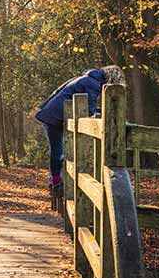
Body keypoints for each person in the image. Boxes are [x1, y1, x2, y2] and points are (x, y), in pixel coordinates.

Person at [35, 66, 126, 196]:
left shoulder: (86, 79)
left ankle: (56, 181)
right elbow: (89, 110)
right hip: (53, 117)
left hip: (52, 114)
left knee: (61, 152)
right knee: (58, 152)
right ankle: (56, 183)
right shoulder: (92, 84)